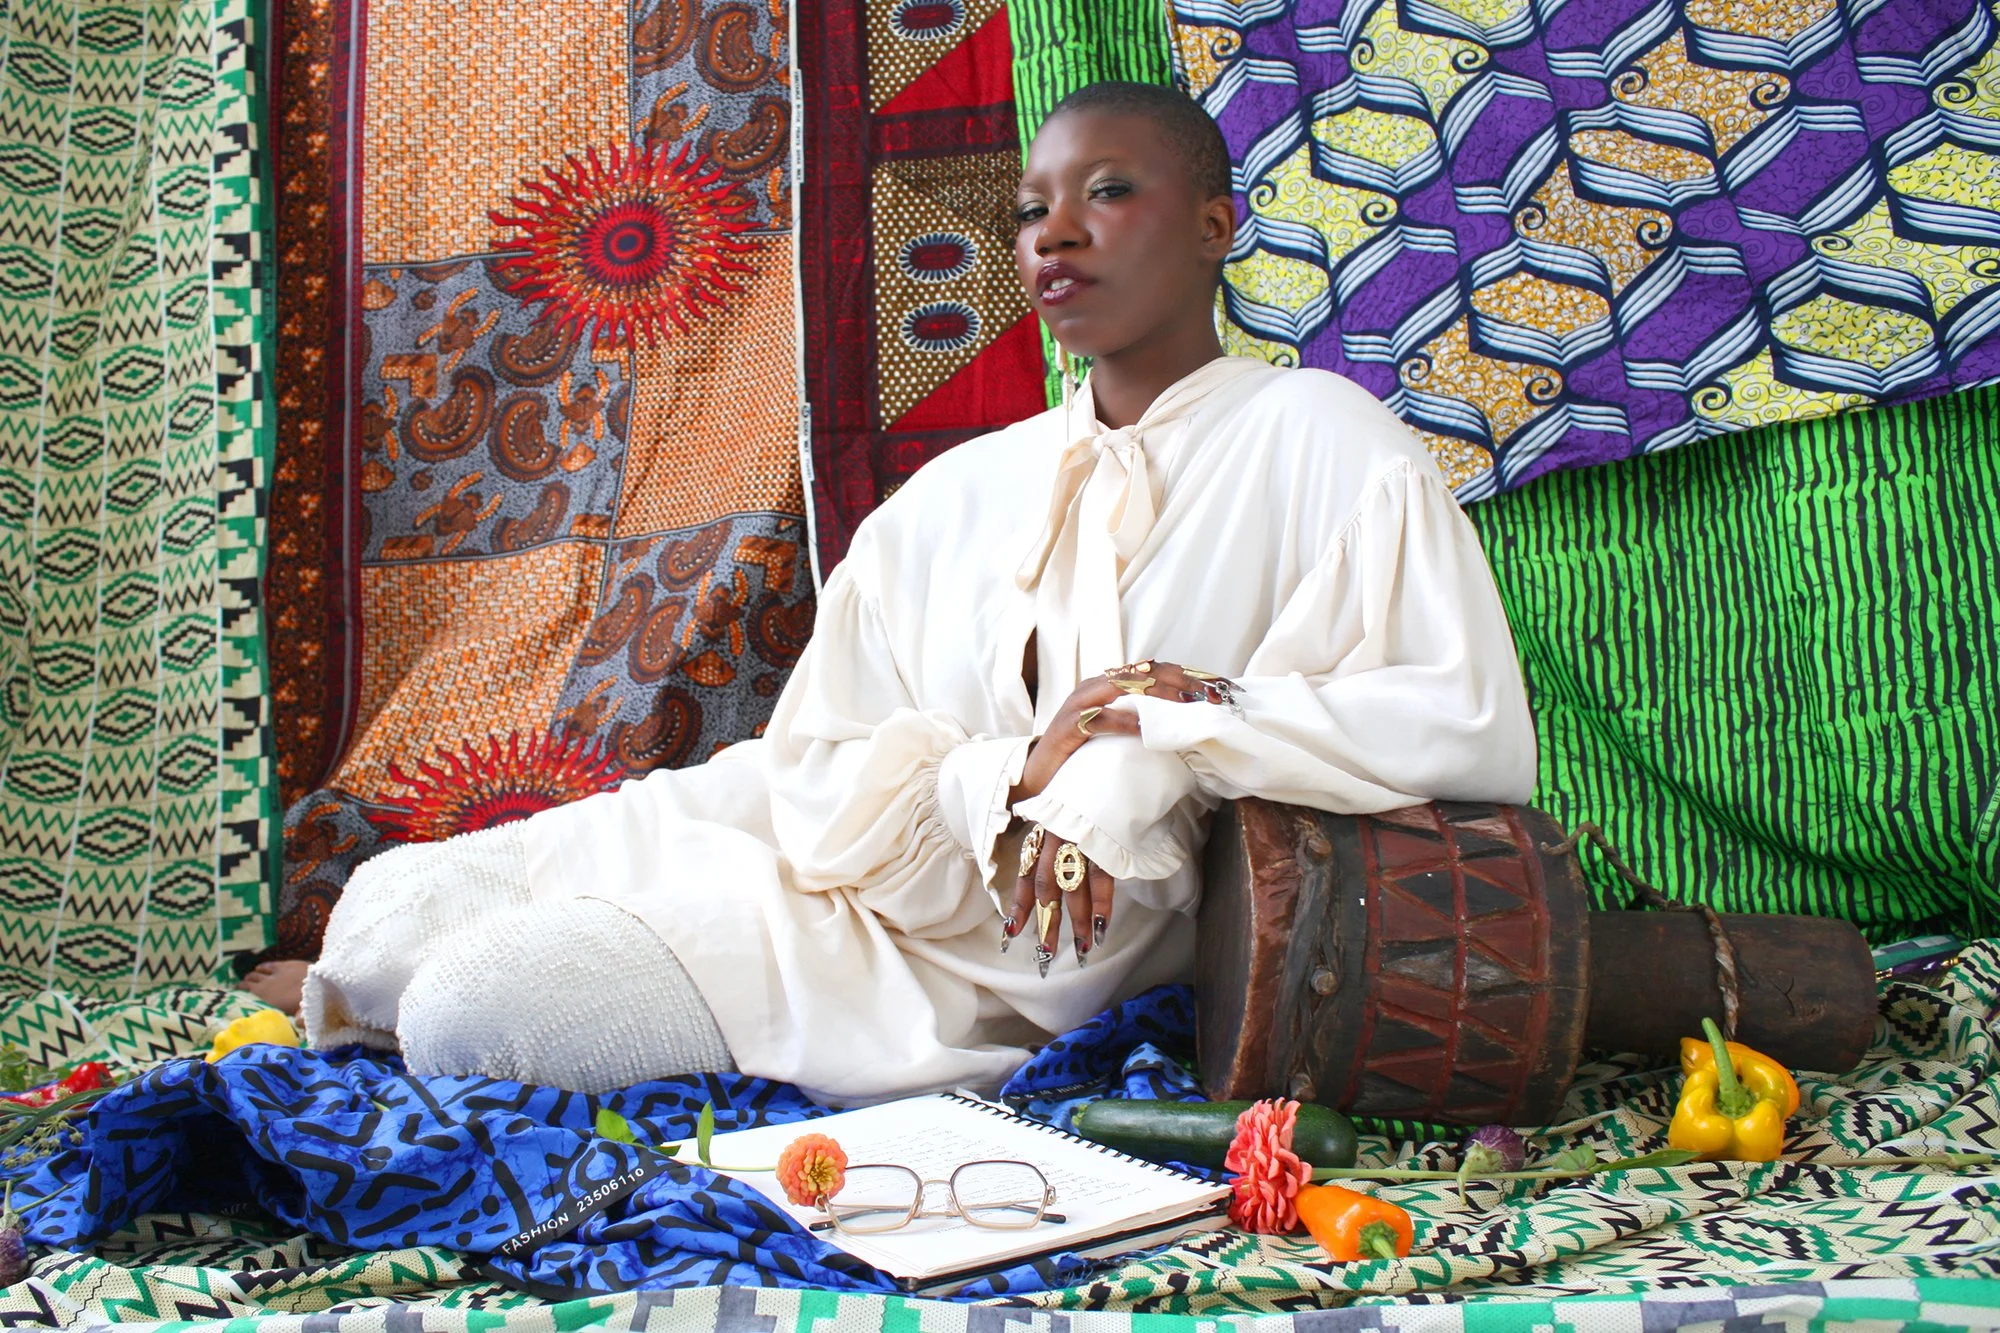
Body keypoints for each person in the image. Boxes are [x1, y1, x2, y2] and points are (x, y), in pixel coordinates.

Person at [248, 81, 1537, 1103]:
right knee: (392, 909)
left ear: (1215, 225)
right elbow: (814, 761)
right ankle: (369, 990)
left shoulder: (1322, 441)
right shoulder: (963, 488)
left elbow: (1457, 720)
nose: (1056, 234)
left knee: (479, 1007)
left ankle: (423, 1011)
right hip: (824, 843)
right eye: (1033, 209)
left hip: (976, 963)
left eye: (1108, 192)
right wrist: (1001, 777)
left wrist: (1158, 738)